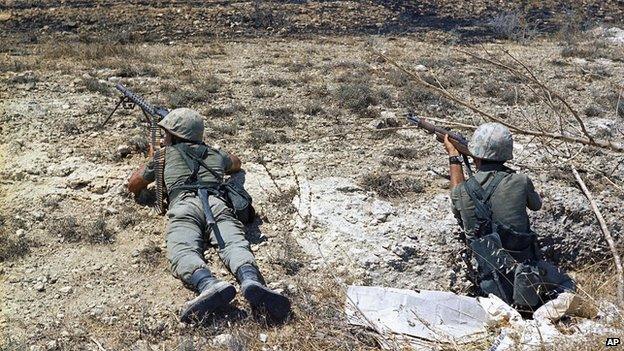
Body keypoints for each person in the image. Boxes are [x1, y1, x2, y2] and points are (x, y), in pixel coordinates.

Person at [127, 108, 291, 323]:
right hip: (216, 202)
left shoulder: (163, 156)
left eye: (166, 133)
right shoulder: (215, 154)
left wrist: (154, 159)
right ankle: (251, 281)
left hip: (184, 205)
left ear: (176, 135)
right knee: (234, 244)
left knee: (182, 249)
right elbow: (236, 163)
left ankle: (208, 285)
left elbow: (134, 184)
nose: (164, 137)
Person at [442, 122, 574, 311]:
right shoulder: (521, 181)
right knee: (569, 285)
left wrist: (454, 157)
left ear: (475, 154)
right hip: (530, 275)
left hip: (491, 283)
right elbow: (536, 205)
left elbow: (456, 198)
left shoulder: (462, 192)